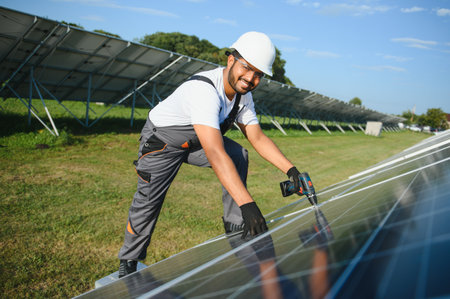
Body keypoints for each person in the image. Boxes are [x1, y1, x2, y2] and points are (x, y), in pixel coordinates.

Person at [118, 31, 303, 278]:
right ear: (231, 60)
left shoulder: (243, 96)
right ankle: (129, 261)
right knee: (148, 201)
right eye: (247, 68)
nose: (250, 78)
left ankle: (235, 224)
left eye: (258, 74)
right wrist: (248, 204)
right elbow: (215, 153)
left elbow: (257, 137)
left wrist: (291, 170)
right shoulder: (204, 90)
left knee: (238, 154)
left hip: (197, 142)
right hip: (161, 143)